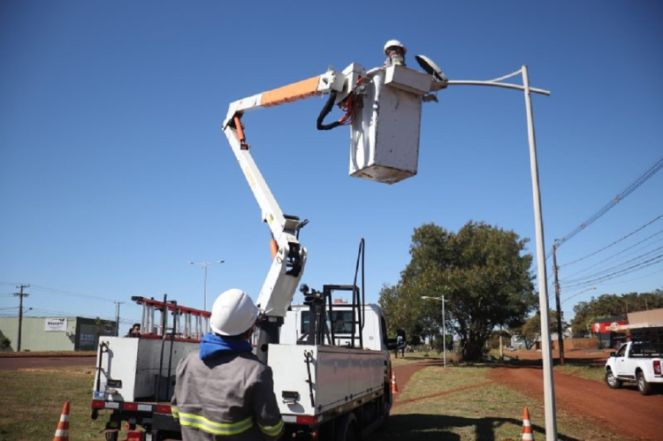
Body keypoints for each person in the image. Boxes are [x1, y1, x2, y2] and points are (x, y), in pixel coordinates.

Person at [171, 289, 284, 440]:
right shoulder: (255, 372)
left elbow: (176, 412)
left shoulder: (187, 362)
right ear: (250, 330)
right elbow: (272, 429)